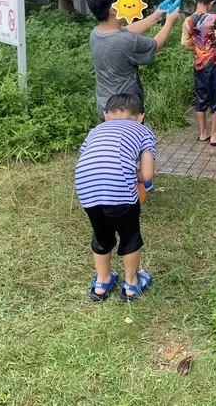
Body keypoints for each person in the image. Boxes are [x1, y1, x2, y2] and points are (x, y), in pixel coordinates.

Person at [74, 94, 156, 302]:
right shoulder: (143, 130)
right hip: (119, 187)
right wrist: (132, 176)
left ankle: (102, 282)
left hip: (85, 185)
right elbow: (147, 175)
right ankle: (131, 284)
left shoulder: (95, 130)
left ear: (106, 116)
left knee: (101, 234)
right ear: (140, 117)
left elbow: (87, 158)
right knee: (129, 236)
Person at [86, 0, 181, 121]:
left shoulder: (96, 34)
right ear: (113, 10)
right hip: (126, 111)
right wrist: (169, 21)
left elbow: (127, 30)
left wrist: (157, 15)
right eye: (122, 2)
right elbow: (156, 45)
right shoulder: (125, 41)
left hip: (105, 107)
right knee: (133, 142)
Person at [181, 0, 216, 146]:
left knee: (201, 98)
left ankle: (203, 133)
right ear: (212, 2)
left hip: (198, 65)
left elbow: (186, 45)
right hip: (214, 64)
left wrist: (199, 47)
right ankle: (215, 136)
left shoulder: (188, 21)